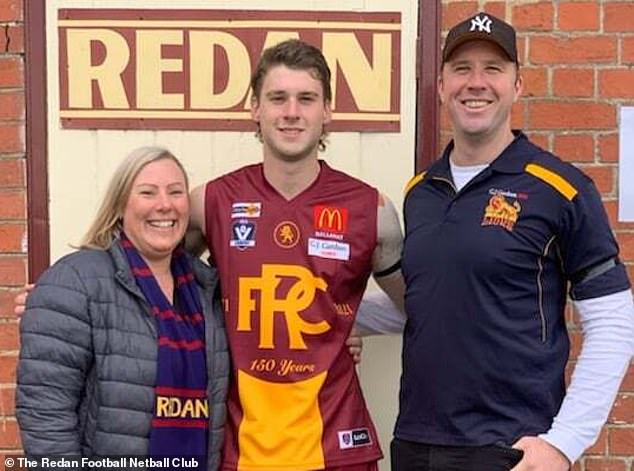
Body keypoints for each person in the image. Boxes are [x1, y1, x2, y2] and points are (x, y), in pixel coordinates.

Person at [357, 12, 634, 471]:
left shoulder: (560, 188)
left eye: (493, 69)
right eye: (462, 69)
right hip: (415, 442)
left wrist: (563, 444)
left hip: (512, 448)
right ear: (441, 85)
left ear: (518, 85)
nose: (476, 83)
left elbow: (614, 323)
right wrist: (341, 316)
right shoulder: (420, 191)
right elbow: (433, 300)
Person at [187, 39, 405, 471]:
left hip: (337, 447)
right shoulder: (209, 202)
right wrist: (62, 299)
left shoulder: (372, 212)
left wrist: (346, 321)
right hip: (240, 447)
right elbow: (147, 281)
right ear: (255, 109)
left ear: (327, 111)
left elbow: (418, 308)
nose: (291, 112)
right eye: (277, 98)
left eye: (306, 98)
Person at [16, 147, 230, 470]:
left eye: (176, 192)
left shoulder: (209, 292)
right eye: (147, 192)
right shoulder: (76, 281)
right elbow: (45, 412)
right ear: (120, 206)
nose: (164, 204)